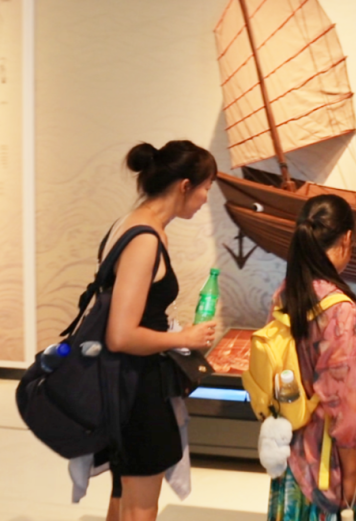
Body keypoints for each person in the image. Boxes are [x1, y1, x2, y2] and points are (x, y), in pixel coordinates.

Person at [97, 140, 219, 521]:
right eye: (205, 189)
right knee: (140, 505)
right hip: (137, 386)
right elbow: (121, 334)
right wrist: (184, 338)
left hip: (121, 381)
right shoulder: (145, 238)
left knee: (123, 493)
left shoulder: (131, 225)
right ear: (185, 186)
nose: (205, 200)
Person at [267, 194, 356, 521]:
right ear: (347, 239)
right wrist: (352, 470)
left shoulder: (286, 293)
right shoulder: (341, 310)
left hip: (293, 450)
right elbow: (343, 399)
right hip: (329, 464)